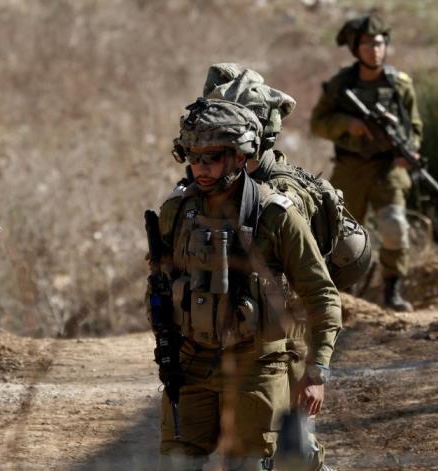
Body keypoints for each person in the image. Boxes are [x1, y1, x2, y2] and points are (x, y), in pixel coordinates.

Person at [152, 98, 342, 470]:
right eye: (194, 157)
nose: (201, 168)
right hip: (191, 362)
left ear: (241, 157)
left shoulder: (276, 216)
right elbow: (160, 283)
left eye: (213, 158)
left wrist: (317, 371)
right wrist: (164, 340)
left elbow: (321, 294)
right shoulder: (177, 212)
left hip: (256, 363)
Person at [310, 13, 423, 311]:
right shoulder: (340, 85)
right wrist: (347, 124)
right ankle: (343, 296)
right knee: (342, 235)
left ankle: (392, 291)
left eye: (379, 43)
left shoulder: (399, 85)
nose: (374, 50)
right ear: (355, 49)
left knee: (395, 227)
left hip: (387, 170)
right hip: (351, 169)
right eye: (367, 44)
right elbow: (318, 123)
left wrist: (409, 151)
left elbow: (414, 127)